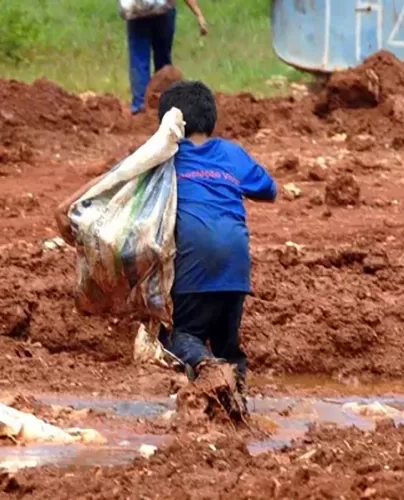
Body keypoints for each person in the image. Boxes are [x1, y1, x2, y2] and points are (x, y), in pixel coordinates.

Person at [56, 81, 277, 414]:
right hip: (236, 266)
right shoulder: (232, 153)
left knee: (180, 336)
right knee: (228, 345)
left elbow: (119, 180)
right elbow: (268, 190)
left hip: (193, 263)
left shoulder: (164, 158)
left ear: (168, 125)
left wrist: (73, 204)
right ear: (211, 119)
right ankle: (237, 405)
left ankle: (207, 369)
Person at [123, 0, 208, 115]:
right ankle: (166, 105)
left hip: (138, 10)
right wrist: (198, 14)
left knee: (139, 60)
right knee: (163, 61)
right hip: (163, 11)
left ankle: (140, 107)